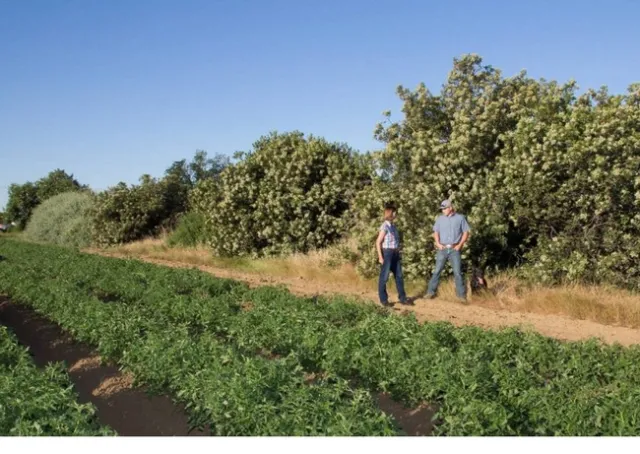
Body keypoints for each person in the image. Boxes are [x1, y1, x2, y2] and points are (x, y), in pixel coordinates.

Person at [424, 199, 471, 302]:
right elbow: (436, 232)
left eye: (444, 208)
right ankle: (430, 293)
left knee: (457, 273)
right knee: (437, 271)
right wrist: (437, 243)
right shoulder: (440, 219)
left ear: (450, 208)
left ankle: (461, 297)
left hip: (455, 249)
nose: (443, 210)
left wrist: (460, 245)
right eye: (442, 209)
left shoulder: (460, 218)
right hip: (443, 249)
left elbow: (466, 232)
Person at [375, 202, 411, 307]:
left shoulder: (393, 226)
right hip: (387, 254)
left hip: (395, 253)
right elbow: (378, 242)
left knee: (399, 276)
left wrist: (399, 250)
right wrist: (380, 257)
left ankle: (403, 298)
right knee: (384, 277)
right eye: (395, 212)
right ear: (391, 213)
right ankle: (383, 300)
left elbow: (395, 241)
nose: (396, 214)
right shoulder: (385, 226)